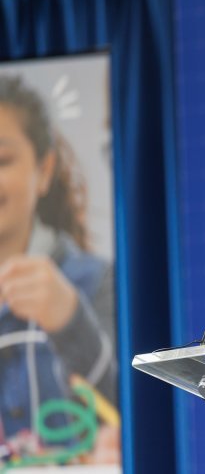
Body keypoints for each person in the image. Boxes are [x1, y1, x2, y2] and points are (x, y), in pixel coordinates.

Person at [0, 75, 117, 461]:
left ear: (45, 169)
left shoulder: (96, 282)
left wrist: (71, 322)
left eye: (2, 160)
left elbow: (139, 413)